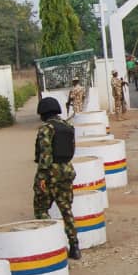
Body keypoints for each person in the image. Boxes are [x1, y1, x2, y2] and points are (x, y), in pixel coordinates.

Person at [33, 97, 80, 259]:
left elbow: (45, 156)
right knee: (66, 209)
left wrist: (41, 178)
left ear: (43, 113)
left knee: (41, 209)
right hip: (66, 171)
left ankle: (50, 244)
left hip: (50, 173)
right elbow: (71, 150)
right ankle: (75, 246)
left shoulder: (46, 129)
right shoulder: (68, 127)